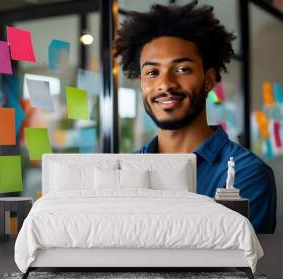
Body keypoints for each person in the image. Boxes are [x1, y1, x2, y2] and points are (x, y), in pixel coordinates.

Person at [114, 0, 276, 233]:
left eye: (182, 69)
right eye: (152, 72)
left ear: (208, 79)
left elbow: (237, 265)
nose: (165, 84)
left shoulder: (246, 174)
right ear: (141, 83)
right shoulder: (125, 169)